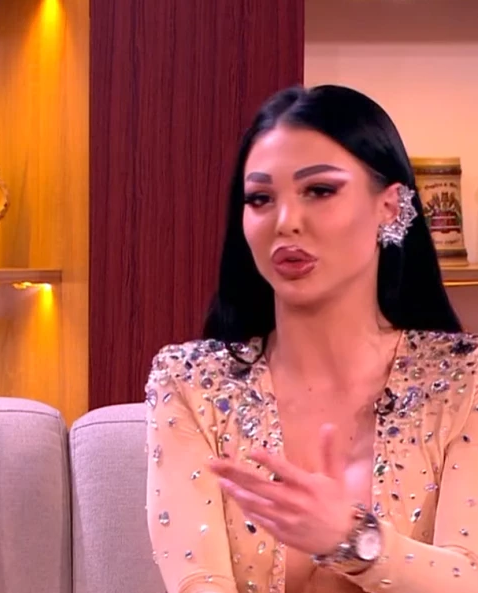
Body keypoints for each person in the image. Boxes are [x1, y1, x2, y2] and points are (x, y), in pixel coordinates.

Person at [145, 84, 478, 593]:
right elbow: (198, 583)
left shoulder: (462, 379)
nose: (286, 222)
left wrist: (351, 540)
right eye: (260, 199)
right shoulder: (191, 382)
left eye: (319, 190)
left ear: (390, 206)